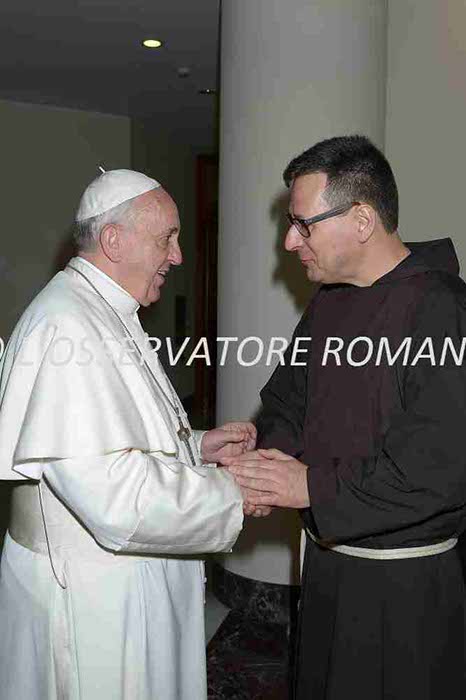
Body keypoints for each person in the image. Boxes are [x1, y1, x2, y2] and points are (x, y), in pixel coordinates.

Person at [0, 168, 256, 700]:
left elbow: (116, 436)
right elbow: (114, 496)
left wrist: (196, 446)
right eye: (167, 238)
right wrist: (235, 492)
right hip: (92, 599)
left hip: (116, 583)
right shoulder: (67, 324)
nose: (178, 256)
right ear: (114, 241)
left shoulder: (104, 310)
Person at [226, 136, 466, 699]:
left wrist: (307, 486)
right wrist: (266, 468)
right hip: (326, 566)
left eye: (302, 225)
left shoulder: (443, 310)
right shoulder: (328, 302)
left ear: (361, 220)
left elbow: (436, 470)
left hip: (404, 587)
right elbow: (288, 402)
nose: (289, 242)